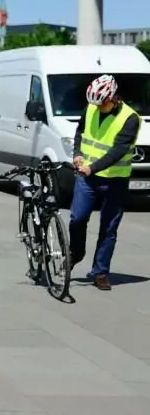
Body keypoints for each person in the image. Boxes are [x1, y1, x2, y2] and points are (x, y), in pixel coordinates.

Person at [69, 73, 141, 291]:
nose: (98, 107)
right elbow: (80, 131)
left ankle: (100, 272)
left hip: (114, 179)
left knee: (108, 228)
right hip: (86, 177)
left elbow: (118, 150)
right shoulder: (92, 107)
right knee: (77, 218)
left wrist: (92, 167)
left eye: (102, 104)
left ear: (114, 98)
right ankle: (76, 253)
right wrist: (77, 153)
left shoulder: (130, 118)